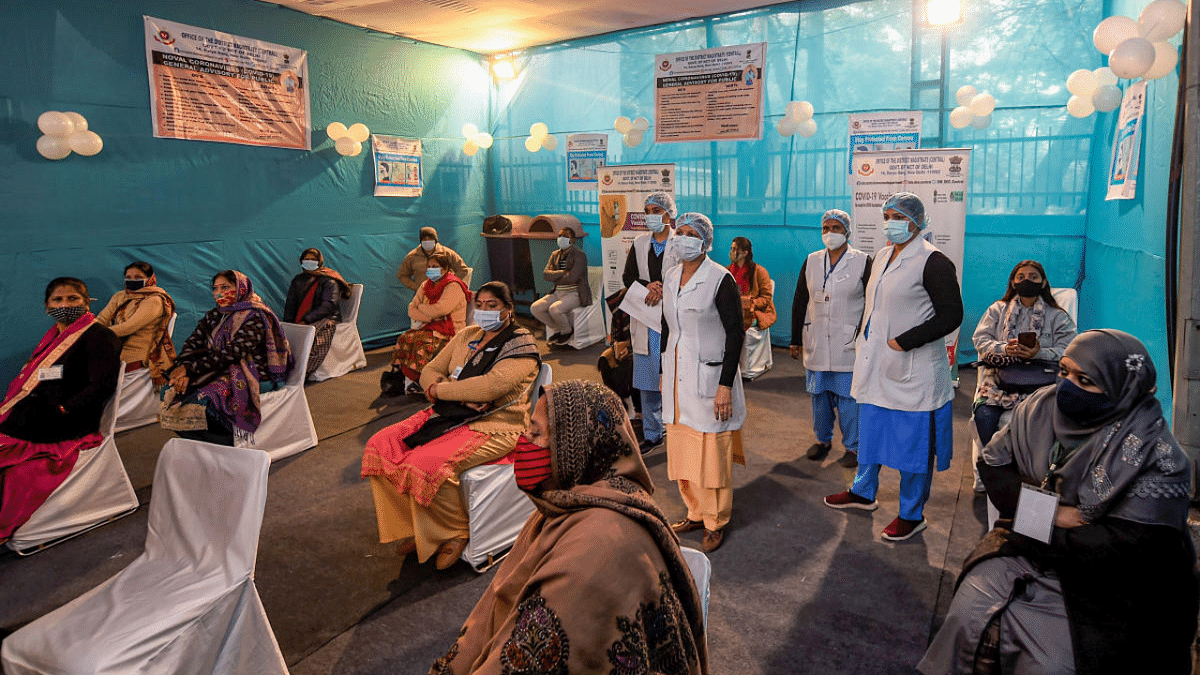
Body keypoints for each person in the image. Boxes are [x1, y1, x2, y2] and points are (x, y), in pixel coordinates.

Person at [918, 330, 1197, 675]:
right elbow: (993, 468)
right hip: (1030, 544)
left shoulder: (1155, 454)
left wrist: (1030, 519)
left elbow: (1125, 547)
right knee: (968, 613)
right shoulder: (1039, 408)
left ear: (1121, 388)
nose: (1067, 386)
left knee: (1053, 661)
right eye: (1064, 372)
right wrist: (1052, 513)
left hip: (1111, 585)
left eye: (1085, 380)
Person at [428, 379, 708, 675]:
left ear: (575, 449)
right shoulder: (567, 504)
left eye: (535, 433)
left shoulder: (598, 550)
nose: (523, 441)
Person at [362, 282, 540, 570]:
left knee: (425, 463)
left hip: (496, 424)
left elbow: (489, 388)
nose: (483, 311)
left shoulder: (520, 344)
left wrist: (441, 390)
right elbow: (430, 369)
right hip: (448, 412)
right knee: (380, 444)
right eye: (479, 305)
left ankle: (454, 533)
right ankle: (416, 529)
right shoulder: (468, 335)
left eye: (492, 306)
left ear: (508, 309)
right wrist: (445, 389)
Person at [824, 193, 962, 542]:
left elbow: (951, 315)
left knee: (913, 447)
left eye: (896, 216)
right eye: (886, 215)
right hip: (875, 367)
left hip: (912, 371)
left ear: (916, 221)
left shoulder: (934, 262)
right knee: (872, 435)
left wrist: (907, 340)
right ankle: (863, 492)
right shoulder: (884, 255)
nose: (890, 222)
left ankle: (912, 514)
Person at [0, 278, 121, 541]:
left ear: (87, 302)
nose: (65, 305)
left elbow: (102, 385)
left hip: (67, 421)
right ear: (47, 307)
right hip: (37, 413)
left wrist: (65, 408)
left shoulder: (100, 336)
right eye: (58, 300)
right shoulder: (54, 337)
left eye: (73, 299)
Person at [661, 213, 746, 552]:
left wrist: (725, 385)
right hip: (678, 379)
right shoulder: (670, 276)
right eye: (679, 233)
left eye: (690, 234)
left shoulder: (719, 279)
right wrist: (664, 366)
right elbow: (670, 326)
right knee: (683, 450)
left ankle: (716, 521)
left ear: (706, 241)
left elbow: (735, 333)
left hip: (711, 381)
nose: (683, 239)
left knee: (712, 455)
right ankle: (694, 511)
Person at [160, 270, 293, 446]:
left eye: (225, 287)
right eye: (215, 288)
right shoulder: (216, 314)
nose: (219, 293)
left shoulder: (256, 316)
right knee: (168, 390)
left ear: (241, 288)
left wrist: (191, 371)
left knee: (206, 398)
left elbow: (232, 354)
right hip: (220, 369)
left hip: (255, 374)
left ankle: (225, 444)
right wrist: (183, 369)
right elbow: (193, 343)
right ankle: (202, 443)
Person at [790, 210, 871, 467]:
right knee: (819, 396)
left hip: (848, 343)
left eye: (836, 228)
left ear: (847, 231)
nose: (830, 233)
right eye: (826, 228)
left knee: (849, 400)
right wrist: (795, 338)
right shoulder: (812, 260)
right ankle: (822, 440)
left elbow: (872, 304)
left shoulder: (862, 261)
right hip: (816, 341)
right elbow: (800, 299)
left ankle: (853, 447)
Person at [971, 260, 1077, 448]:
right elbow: (980, 340)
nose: (1026, 280)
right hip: (999, 382)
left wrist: (1039, 353)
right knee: (984, 416)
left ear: (1043, 282)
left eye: (1033, 277)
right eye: (1021, 277)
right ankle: (995, 465)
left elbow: (1070, 350)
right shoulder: (997, 310)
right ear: (1013, 282)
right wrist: (1004, 349)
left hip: (1043, 383)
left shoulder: (1058, 316)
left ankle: (1035, 467)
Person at [623, 191, 680, 453]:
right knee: (648, 380)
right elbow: (628, 277)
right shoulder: (639, 244)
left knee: (675, 378)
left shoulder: (681, 243)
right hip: (646, 319)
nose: (651, 217)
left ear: (670, 214)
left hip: (673, 320)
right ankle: (653, 434)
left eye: (656, 211)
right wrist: (648, 286)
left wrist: (664, 288)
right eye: (647, 212)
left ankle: (680, 433)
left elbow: (688, 275)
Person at [391, 252, 471, 394]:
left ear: (445, 269)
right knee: (404, 338)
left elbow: (440, 309)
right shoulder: (425, 285)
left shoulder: (453, 286)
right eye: (429, 266)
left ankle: (421, 380)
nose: (431, 269)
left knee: (421, 343)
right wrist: (429, 317)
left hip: (451, 331)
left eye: (435, 266)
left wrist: (421, 308)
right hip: (430, 326)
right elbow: (411, 309)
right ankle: (404, 376)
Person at [95, 261, 177, 387]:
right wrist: (89, 330)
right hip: (113, 349)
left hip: (135, 355)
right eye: (128, 278)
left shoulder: (154, 300)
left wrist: (93, 333)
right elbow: (101, 320)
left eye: (138, 278)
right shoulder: (120, 296)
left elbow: (128, 327)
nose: (132, 280)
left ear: (150, 279)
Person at [282, 247, 352, 378]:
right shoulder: (298, 280)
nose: (309, 262)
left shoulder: (329, 280)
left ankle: (304, 371)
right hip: (303, 318)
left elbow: (328, 305)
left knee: (317, 337)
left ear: (319, 262)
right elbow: (291, 305)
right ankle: (284, 368)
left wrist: (306, 320)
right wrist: (289, 325)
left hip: (327, 317)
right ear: (301, 261)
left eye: (313, 260)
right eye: (306, 259)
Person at [531, 227, 591, 346]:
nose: (561, 239)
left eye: (565, 236)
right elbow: (545, 275)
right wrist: (563, 272)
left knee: (555, 309)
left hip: (575, 293)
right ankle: (558, 329)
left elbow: (572, 278)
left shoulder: (580, 255)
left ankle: (567, 331)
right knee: (535, 308)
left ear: (572, 240)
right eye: (559, 236)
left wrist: (555, 275)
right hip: (557, 292)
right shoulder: (555, 254)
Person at [397, 227, 469, 292]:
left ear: (435, 240)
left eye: (430, 239)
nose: (427, 241)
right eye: (425, 239)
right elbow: (402, 275)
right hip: (423, 295)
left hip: (444, 294)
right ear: (421, 241)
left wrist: (449, 283)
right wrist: (417, 287)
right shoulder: (412, 256)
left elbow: (463, 269)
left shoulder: (446, 253)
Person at [728, 237, 776, 333]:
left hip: (754, 312)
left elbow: (766, 298)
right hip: (731, 310)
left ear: (745, 253)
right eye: (731, 248)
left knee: (734, 322)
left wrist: (751, 303)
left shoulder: (759, 272)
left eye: (735, 249)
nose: (731, 252)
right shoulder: (727, 271)